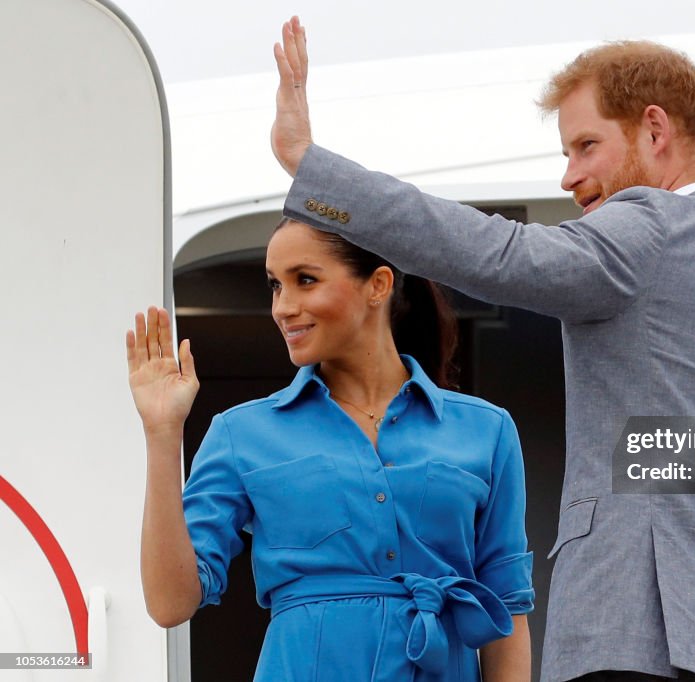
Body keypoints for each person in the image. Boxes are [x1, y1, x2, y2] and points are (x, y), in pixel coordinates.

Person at [269, 17, 695, 682]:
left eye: (586, 145)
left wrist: (311, 165)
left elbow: (496, 253)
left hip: (638, 646)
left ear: (655, 131)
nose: (569, 176)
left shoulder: (646, 229)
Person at [127, 218, 534, 682]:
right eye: (275, 286)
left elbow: (507, 606)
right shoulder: (242, 432)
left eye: (305, 280)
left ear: (377, 285)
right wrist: (162, 433)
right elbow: (169, 603)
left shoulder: (487, 429)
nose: (283, 306)